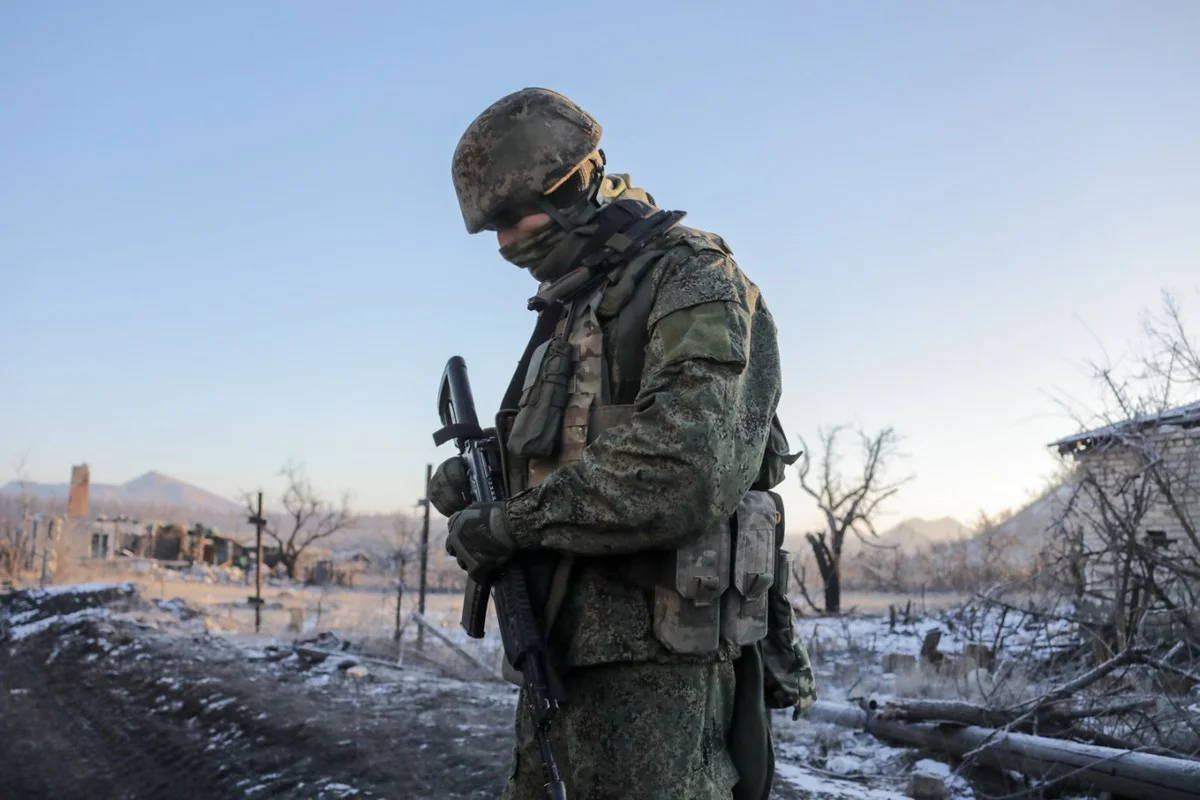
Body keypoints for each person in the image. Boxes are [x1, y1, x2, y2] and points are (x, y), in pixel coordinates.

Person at [430, 87, 815, 800]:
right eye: (494, 231)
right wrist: (484, 482)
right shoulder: (575, 301)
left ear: (574, 184)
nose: (508, 245)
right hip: (562, 649)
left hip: (662, 668)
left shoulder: (694, 276)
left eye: (514, 218)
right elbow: (566, 453)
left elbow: (684, 469)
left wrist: (513, 524)